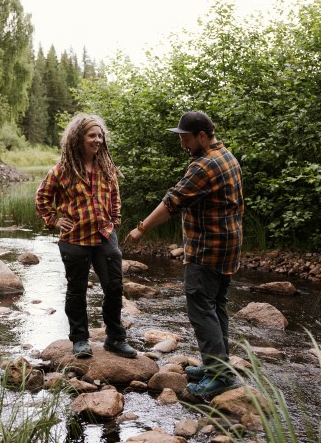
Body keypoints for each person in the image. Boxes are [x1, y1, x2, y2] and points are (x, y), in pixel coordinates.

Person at [125, 111, 244, 397]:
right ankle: (216, 365)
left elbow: (171, 203)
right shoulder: (227, 156)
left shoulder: (204, 165)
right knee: (216, 307)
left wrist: (141, 229)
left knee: (201, 309)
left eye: (186, 138)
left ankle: (220, 375)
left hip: (207, 250)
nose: (183, 144)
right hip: (227, 247)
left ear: (202, 135)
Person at [36, 113, 137, 359]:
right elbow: (42, 197)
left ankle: (115, 338)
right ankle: (80, 339)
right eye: (92, 135)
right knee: (76, 290)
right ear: (78, 139)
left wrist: (115, 222)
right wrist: (54, 220)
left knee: (114, 287)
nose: (98, 140)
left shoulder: (107, 167)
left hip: (105, 235)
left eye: (100, 135)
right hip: (74, 239)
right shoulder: (62, 170)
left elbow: (115, 197)